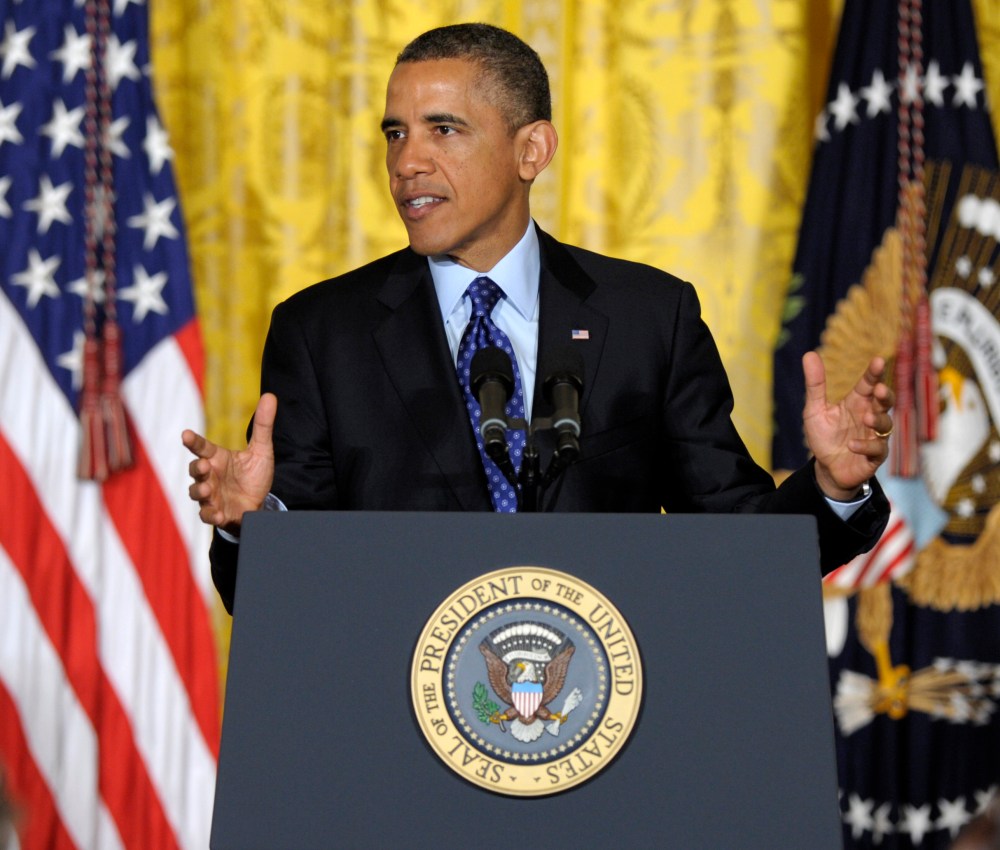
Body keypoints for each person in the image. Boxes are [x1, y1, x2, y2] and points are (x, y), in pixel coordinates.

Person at [183, 23, 893, 614]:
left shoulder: (648, 316)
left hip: (608, 732)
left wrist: (833, 487)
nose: (407, 162)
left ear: (532, 150)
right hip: (399, 736)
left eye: (444, 129)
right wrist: (256, 530)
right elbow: (276, 594)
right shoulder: (322, 331)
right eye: (395, 133)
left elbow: (741, 547)